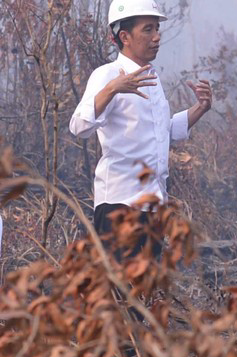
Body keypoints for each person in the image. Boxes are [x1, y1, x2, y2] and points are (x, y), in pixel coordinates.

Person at [69, 0, 212, 257]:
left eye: (157, 29)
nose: (157, 37)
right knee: (120, 293)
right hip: (120, 205)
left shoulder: (151, 78)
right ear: (124, 36)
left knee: (145, 292)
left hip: (152, 205)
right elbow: (79, 126)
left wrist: (199, 109)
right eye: (148, 29)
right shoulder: (107, 74)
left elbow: (162, 134)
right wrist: (113, 88)